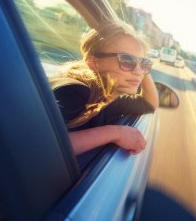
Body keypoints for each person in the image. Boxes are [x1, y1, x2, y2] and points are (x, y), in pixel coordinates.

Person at [50, 20, 158, 156]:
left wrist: (140, 65)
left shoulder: (106, 96)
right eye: (127, 60)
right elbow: (42, 147)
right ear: (94, 63)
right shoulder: (75, 91)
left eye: (144, 64)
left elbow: (149, 104)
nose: (139, 72)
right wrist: (116, 133)